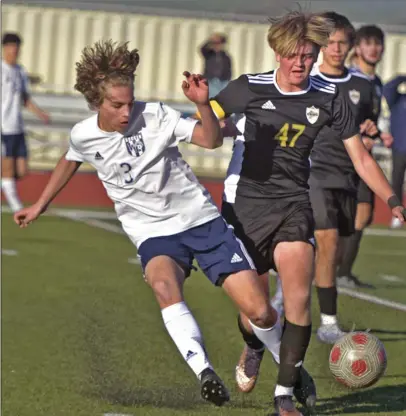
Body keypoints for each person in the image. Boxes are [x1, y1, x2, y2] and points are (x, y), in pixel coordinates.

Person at [13, 40, 293, 410]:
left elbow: (209, 140)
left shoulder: (157, 116)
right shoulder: (84, 134)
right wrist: (40, 204)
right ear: (98, 103)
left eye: (130, 102)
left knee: (259, 312)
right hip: (152, 232)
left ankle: (292, 372)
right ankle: (204, 372)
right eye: (117, 106)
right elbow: (70, 157)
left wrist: (200, 104)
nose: (127, 111)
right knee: (163, 285)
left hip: (200, 221)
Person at [197, 10, 406, 414]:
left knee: (296, 302)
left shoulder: (329, 96)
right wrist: (206, 107)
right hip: (244, 209)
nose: (301, 63)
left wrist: (393, 200)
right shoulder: (246, 89)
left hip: (294, 206)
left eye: (308, 55)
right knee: (257, 311)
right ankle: (255, 344)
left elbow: (361, 159)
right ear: (277, 53)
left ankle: (283, 395)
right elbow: (205, 136)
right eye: (293, 55)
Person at [308, 12, 383, 343]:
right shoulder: (307, 81)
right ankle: (328, 322)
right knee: (327, 240)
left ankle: (297, 294)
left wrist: (370, 133)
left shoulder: (362, 86)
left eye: (342, 43)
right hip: (313, 172)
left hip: (349, 175)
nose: (336, 49)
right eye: (331, 42)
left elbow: (369, 128)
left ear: (350, 46)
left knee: (334, 249)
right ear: (322, 45)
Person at [336, 25, 393, 287]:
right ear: (357, 48)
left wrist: (379, 133)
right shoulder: (347, 78)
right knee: (344, 214)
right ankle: (335, 270)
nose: (374, 48)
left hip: (363, 158)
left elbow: (367, 120)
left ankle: (342, 271)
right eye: (368, 43)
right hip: (343, 156)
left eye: (378, 43)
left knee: (363, 213)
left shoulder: (376, 82)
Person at [1, 32, 50, 212]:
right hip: (3, 127)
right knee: (6, 168)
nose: (14, 50)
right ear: (5, 48)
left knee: (21, 170)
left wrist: (40, 113)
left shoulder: (20, 71)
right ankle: (16, 207)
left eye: (17, 47)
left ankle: (6, 187)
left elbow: (25, 98)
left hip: (18, 126)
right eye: (11, 47)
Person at [383, 75, 406, 229]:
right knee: (396, 181)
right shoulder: (398, 100)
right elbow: (387, 88)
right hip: (400, 148)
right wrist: (403, 77)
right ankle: (398, 216)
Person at [200, 33, 232, 98]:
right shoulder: (209, 54)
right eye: (215, 44)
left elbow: (229, 69)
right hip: (211, 80)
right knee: (211, 98)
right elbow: (202, 48)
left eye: (219, 44)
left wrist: (228, 79)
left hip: (223, 81)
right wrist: (210, 40)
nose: (217, 46)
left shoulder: (226, 56)